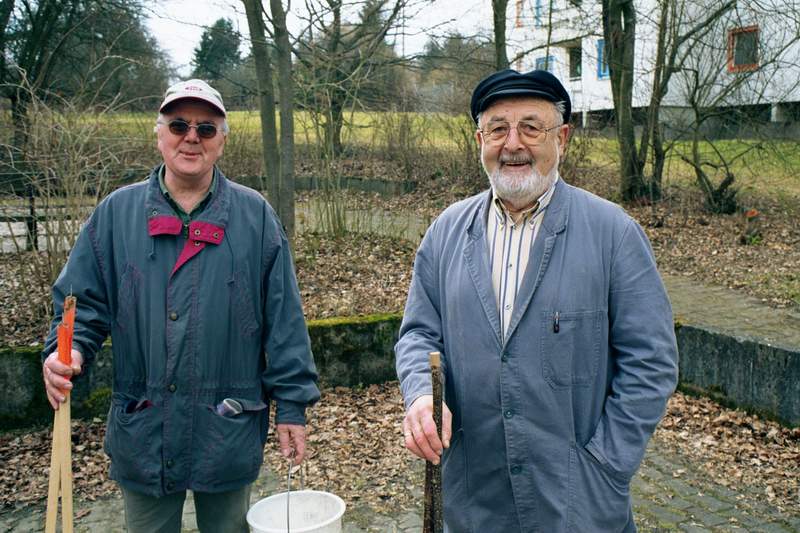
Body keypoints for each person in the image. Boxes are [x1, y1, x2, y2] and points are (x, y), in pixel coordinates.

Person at [395, 69, 678, 532]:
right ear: (479, 140)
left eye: (531, 127)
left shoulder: (613, 234)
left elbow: (651, 362)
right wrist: (422, 394)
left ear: (562, 138)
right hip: (474, 502)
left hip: (578, 508)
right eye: (498, 129)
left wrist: (606, 466)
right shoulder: (446, 232)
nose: (513, 144)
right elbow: (418, 334)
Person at [41, 79, 320, 532]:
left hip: (227, 426)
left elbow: (284, 320)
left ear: (222, 140)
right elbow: (80, 305)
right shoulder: (117, 214)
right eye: (178, 125)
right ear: (159, 134)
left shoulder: (254, 217)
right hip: (144, 430)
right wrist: (66, 350)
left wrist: (292, 405)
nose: (191, 137)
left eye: (206, 128)